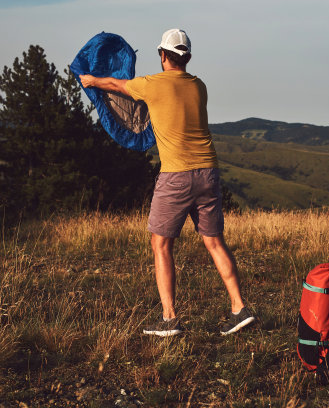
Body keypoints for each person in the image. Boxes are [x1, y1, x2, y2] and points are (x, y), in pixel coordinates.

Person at [80, 29, 254, 337]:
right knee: (214, 242)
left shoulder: (153, 84)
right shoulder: (199, 86)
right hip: (209, 171)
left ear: (163, 55)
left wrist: (91, 81)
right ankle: (239, 309)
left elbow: (116, 85)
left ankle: (170, 318)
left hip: (176, 175)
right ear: (186, 56)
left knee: (161, 244)